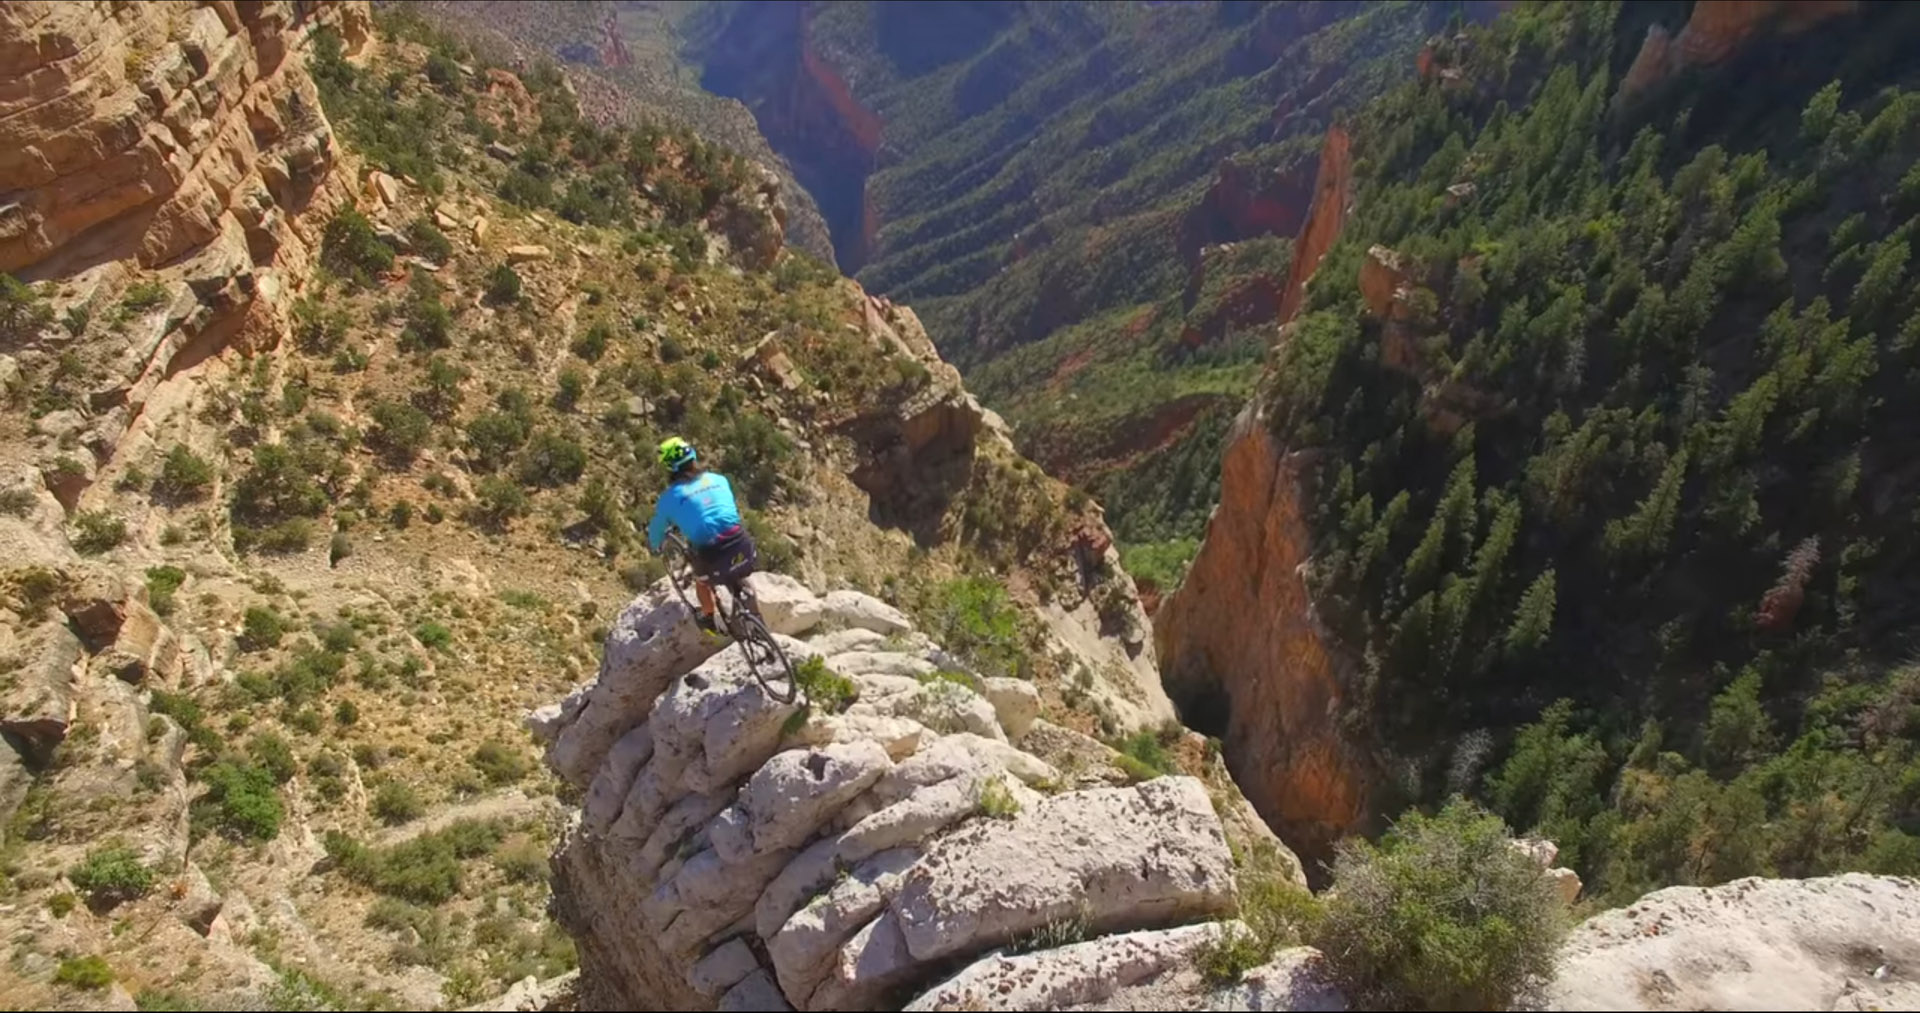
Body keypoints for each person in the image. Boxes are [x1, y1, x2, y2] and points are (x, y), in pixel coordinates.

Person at [646, 437, 757, 634]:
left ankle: (708, 617)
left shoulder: (669, 498)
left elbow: (656, 530)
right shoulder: (719, 479)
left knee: (702, 582)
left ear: (670, 468)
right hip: (744, 544)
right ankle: (752, 615)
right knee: (736, 570)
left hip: (713, 555)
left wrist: (655, 545)